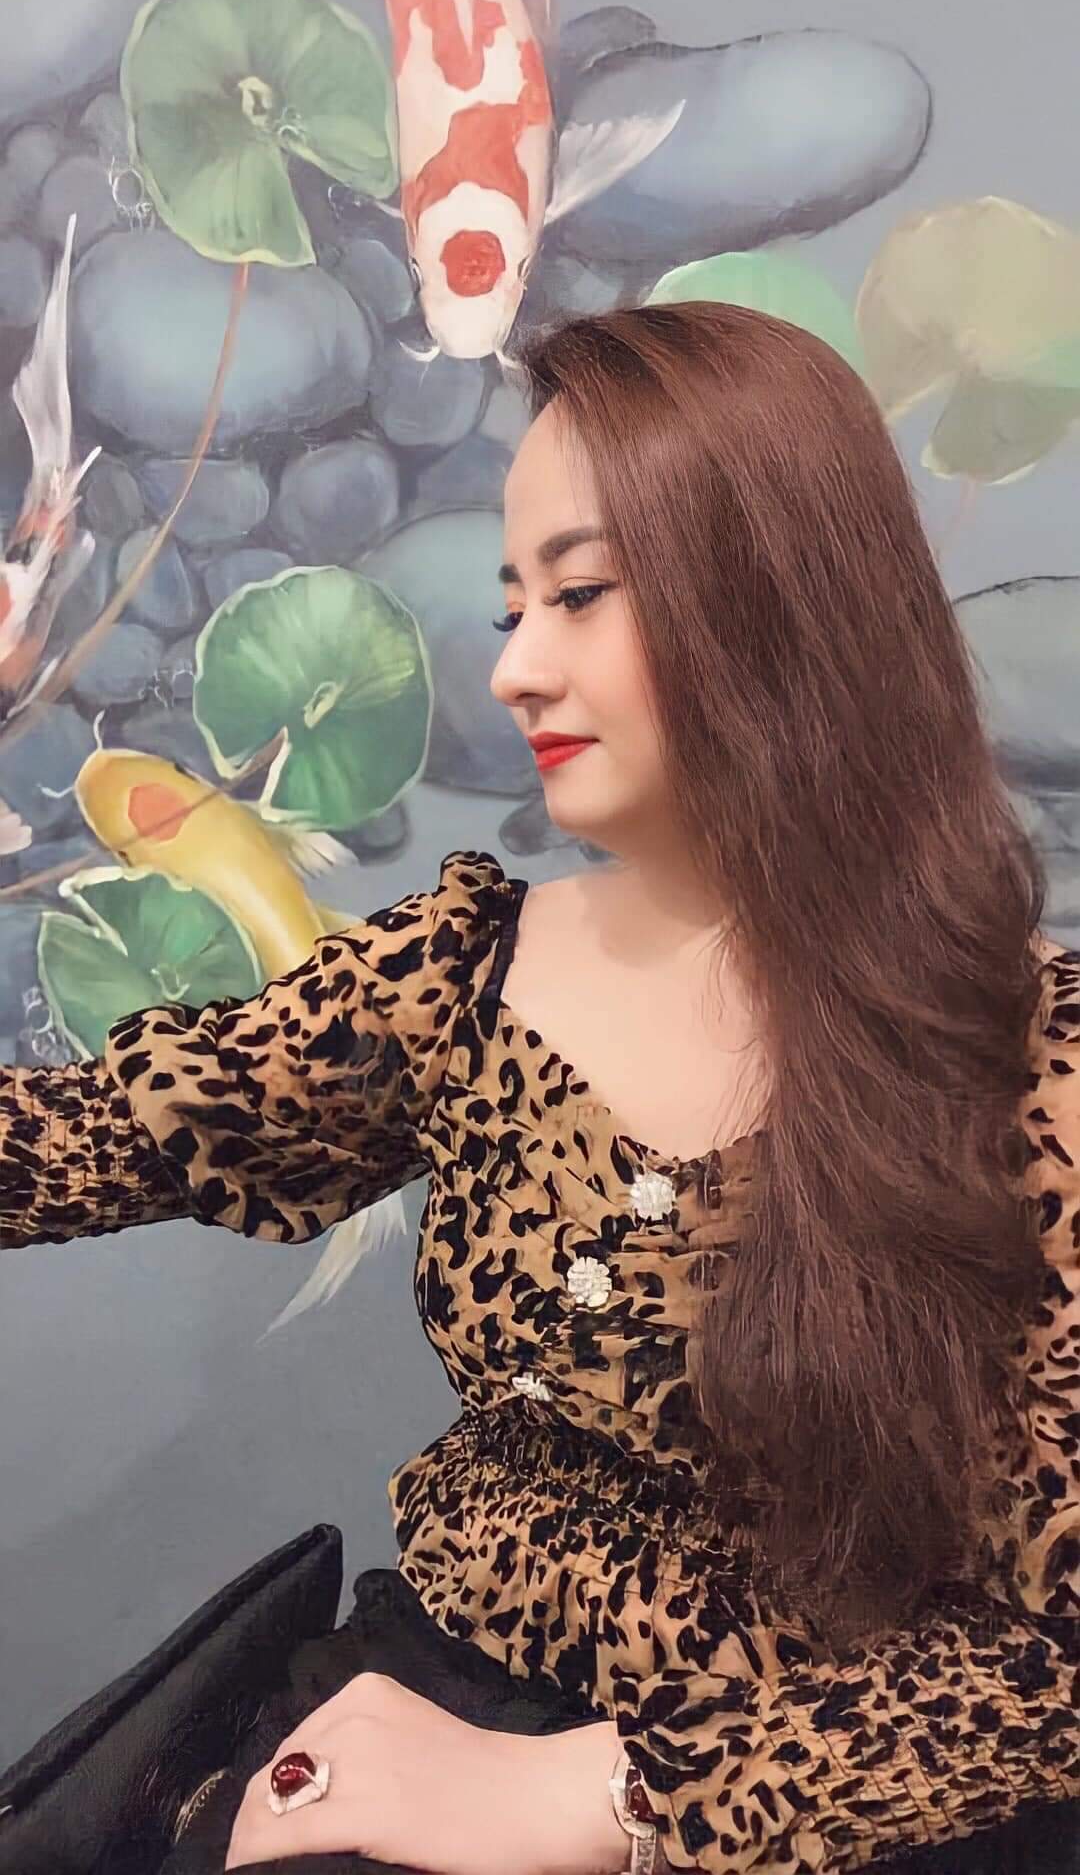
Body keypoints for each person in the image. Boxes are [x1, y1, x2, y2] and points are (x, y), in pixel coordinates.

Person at [2, 300, 1079, 1875]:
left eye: (579, 594)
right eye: (513, 605)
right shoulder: (462, 976)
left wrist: (597, 1801)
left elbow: (1055, 1661)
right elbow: (89, 1141)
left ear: (779, 596)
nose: (513, 668)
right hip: (435, 1690)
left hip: (826, 1789)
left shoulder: (1034, 1064)